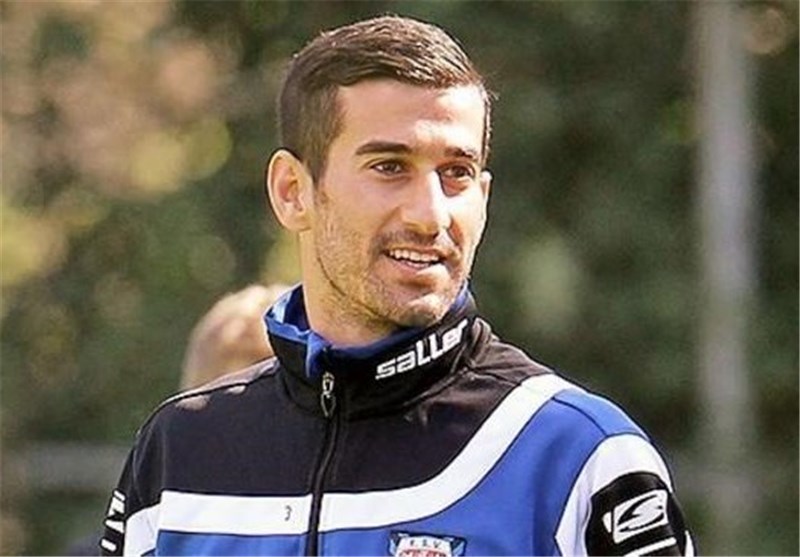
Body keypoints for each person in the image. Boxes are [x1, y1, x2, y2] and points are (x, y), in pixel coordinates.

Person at [100, 15, 694, 556]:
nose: (430, 215)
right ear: (292, 191)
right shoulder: (178, 454)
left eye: (456, 173)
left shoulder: (578, 456)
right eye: (390, 167)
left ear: (484, 197)